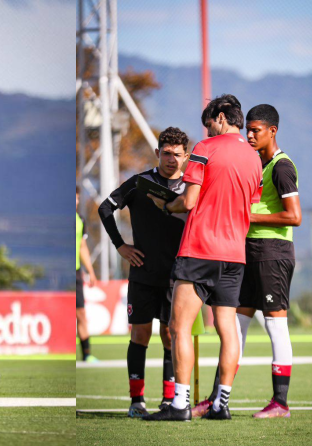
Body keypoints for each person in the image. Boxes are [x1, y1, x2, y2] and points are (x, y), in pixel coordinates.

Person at [143, 94, 263, 421]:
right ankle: (221, 403)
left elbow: (189, 200)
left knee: (178, 327)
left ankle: (180, 405)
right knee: (229, 330)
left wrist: (166, 205)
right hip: (234, 255)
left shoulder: (205, 148)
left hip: (199, 250)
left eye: (208, 124)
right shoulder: (255, 158)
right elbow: (249, 207)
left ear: (220, 117)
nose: (207, 130)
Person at [192, 104, 301, 419]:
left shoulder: (281, 167)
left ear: (272, 131)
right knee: (234, 328)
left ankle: (280, 403)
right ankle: (216, 399)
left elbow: (294, 217)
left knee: (275, 325)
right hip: (247, 253)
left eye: (256, 130)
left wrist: (244, 214)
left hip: (273, 254)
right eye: (248, 129)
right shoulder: (255, 163)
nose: (250, 135)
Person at [98, 127, 190, 418]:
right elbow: (104, 208)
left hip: (178, 276)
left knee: (170, 335)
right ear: (157, 153)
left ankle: (168, 400)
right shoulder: (141, 182)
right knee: (140, 335)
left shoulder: (191, 187)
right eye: (166, 153)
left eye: (177, 154)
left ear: (186, 156)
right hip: (142, 273)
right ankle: (136, 401)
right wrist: (120, 245)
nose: (171, 159)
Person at [76, 187, 99, 362]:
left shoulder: (80, 219)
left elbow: (82, 247)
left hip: (77, 273)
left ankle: (87, 355)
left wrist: (90, 271)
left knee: (81, 314)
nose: (75, 202)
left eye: (77, 198)